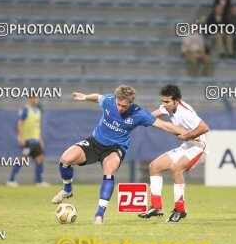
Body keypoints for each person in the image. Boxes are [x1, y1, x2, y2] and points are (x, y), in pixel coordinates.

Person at [51, 85, 189, 224]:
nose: (120, 108)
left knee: (109, 170)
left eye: (124, 106)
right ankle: (67, 189)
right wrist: (85, 97)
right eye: (118, 104)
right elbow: (98, 97)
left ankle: (100, 215)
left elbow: (164, 125)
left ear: (131, 103)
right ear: (115, 99)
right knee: (65, 159)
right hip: (94, 142)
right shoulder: (109, 101)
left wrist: (188, 134)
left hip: (115, 148)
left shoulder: (139, 114)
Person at [139, 85, 209, 222]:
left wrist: (187, 136)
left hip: (199, 148)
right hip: (187, 146)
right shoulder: (169, 107)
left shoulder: (185, 112)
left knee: (176, 168)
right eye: (162, 101)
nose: (164, 105)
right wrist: (137, 119)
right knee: (154, 166)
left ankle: (180, 210)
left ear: (176, 101)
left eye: (167, 102)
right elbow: (151, 116)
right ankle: (156, 207)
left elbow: (204, 127)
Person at [7, 96, 49, 187]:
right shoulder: (25, 109)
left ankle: (39, 181)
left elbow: (38, 127)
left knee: (40, 159)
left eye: (36, 98)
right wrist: (21, 137)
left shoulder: (38, 111)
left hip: (36, 141)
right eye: (33, 98)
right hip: (27, 141)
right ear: (30, 99)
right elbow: (19, 123)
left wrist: (41, 140)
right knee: (23, 159)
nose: (35, 100)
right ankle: (11, 180)